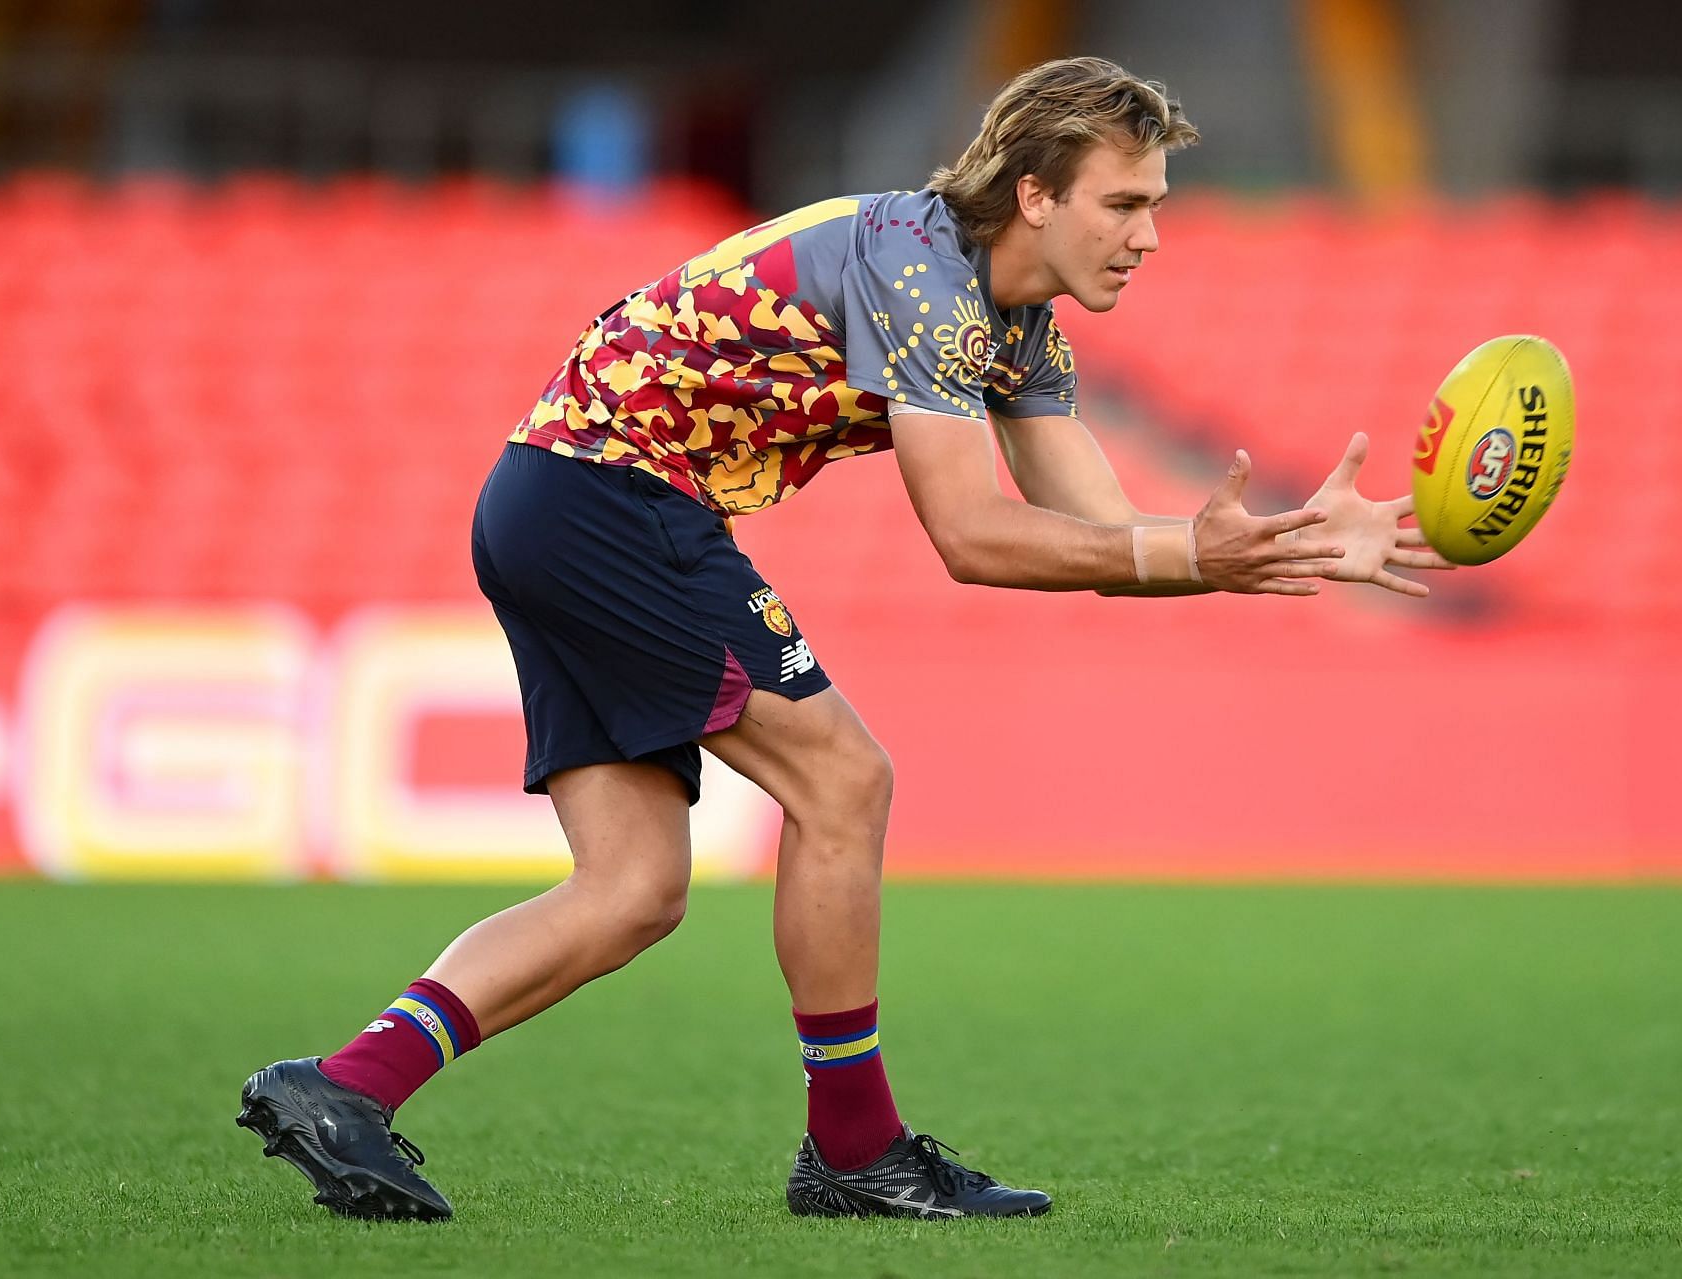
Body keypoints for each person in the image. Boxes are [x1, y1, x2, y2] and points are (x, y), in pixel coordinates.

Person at [235, 55, 1450, 1223]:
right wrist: (1199, 551)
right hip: (613, 501)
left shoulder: (1010, 319)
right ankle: (856, 1152)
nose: (1148, 235)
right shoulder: (924, 266)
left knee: (635, 888)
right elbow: (974, 536)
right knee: (844, 780)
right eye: (1124, 203)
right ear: (1035, 194)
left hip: (558, 497)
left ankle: (346, 1085)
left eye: (1156, 206)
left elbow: (1104, 536)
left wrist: (1282, 543)